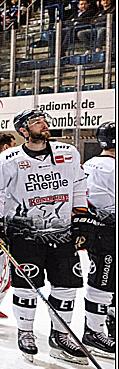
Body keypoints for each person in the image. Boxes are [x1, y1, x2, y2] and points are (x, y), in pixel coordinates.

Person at [0, 110, 94, 366]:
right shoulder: (9, 159)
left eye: (45, 122)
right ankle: (26, 332)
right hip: (24, 234)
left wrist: (81, 220)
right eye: (36, 123)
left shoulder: (68, 153)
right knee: (27, 287)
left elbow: (78, 186)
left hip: (62, 233)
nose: (44, 126)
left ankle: (61, 335)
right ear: (23, 131)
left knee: (66, 285)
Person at [82, 122, 116, 351]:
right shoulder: (112, 168)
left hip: (96, 230)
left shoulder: (88, 164)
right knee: (104, 281)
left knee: (107, 279)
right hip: (109, 231)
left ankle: (107, 324)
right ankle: (93, 331)